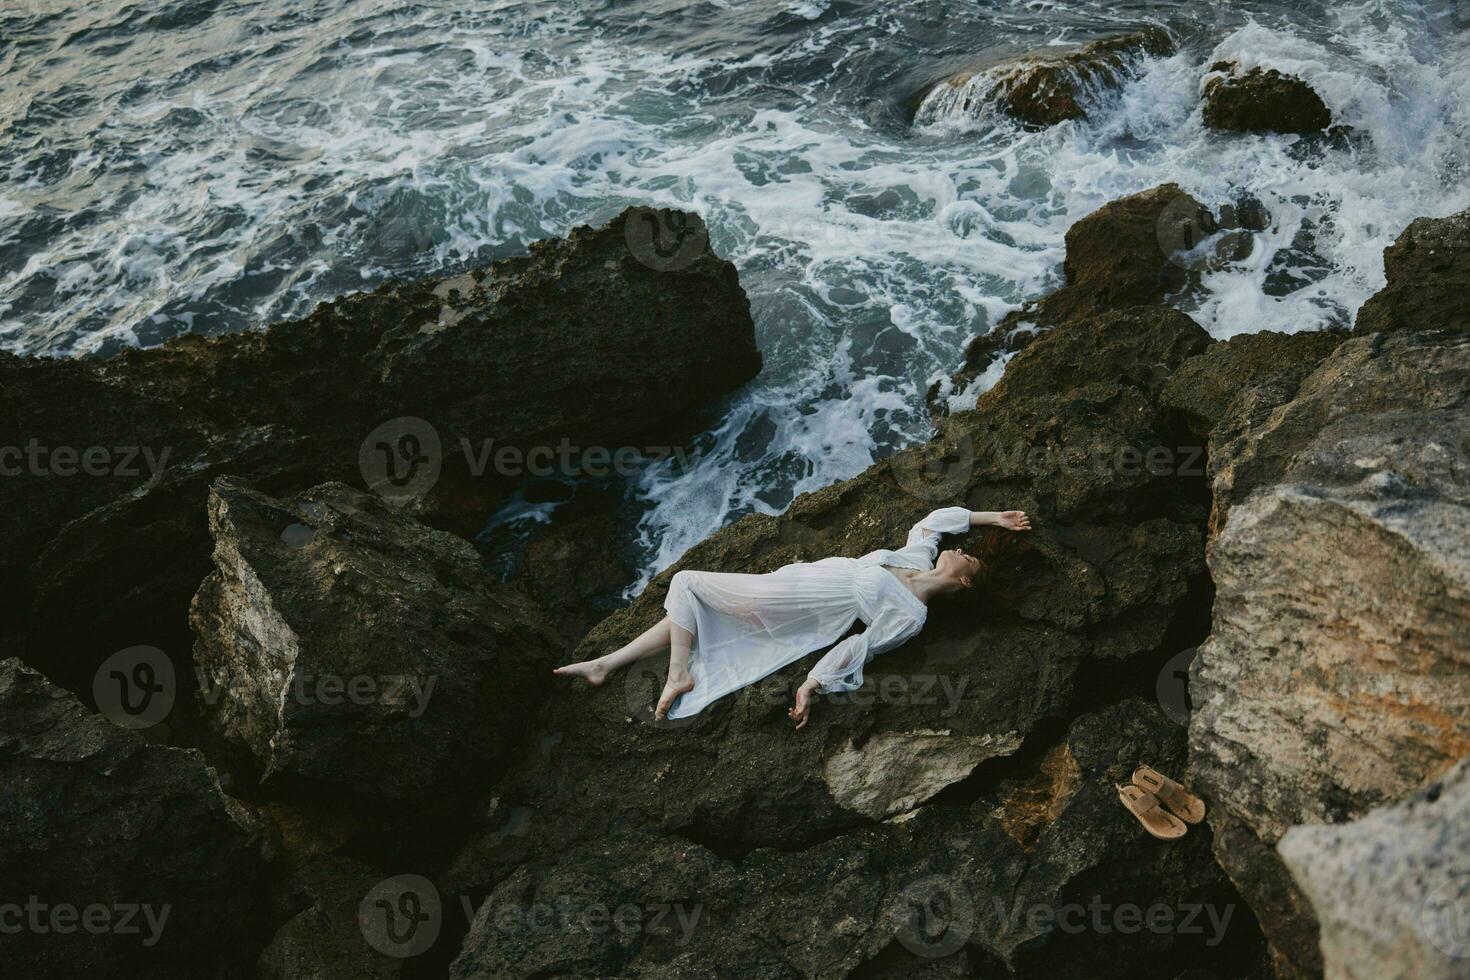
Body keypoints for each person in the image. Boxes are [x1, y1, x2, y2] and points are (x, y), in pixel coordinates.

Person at [554, 507, 1032, 727]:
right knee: (696, 611)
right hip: (795, 584)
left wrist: (811, 684)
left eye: (970, 558)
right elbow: (933, 520)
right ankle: (606, 665)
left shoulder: (910, 617)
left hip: (795, 605)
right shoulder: (917, 558)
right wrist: (992, 519)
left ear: (967, 582)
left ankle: (678, 673)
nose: (962, 551)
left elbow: (859, 647)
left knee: (687, 585)